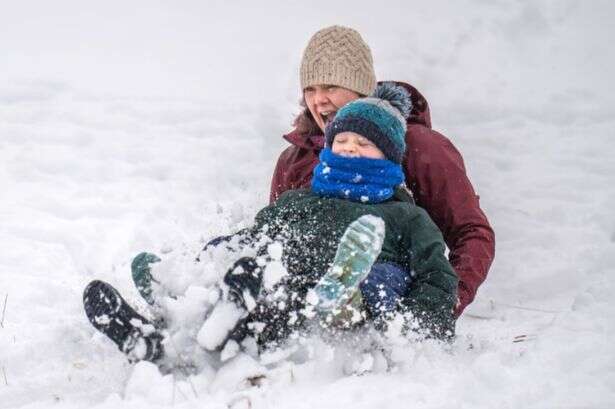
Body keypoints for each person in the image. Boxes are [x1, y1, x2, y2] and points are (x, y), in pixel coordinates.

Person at [82, 83, 458, 366]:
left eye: (364, 142)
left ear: (390, 156)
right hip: (281, 296)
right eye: (341, 139)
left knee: (307, 291)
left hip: (350, 308)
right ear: (329, 149)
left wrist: (412, 327)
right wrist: (210, 259)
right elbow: (253, 237)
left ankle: (341, 300)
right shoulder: (300, 201)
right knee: (253, 273)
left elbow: (438, 278)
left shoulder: (405, 216)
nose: (350, 147)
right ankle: (166, 329)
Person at [270, 25, 495, 316]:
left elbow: (471, 232)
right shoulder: (295, 159)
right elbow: (276, 236)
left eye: (330, 86)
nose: (319, 99)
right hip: (306, 305)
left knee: (375, 284)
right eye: (310, 89)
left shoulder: (420, 148)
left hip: (388, 294)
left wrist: (440, 305)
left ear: (361, 88)